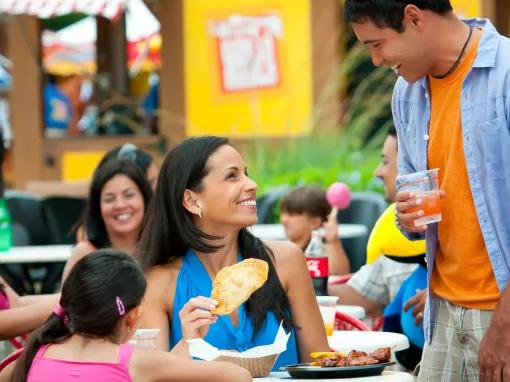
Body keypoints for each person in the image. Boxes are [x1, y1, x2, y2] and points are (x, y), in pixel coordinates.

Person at [344, 1, 510, 380]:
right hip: (444, 312)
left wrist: (505, 326)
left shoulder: (506, 75)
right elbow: (412, 208)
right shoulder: (406, 94)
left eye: (377, 44)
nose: (374, 60)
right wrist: (406, 218)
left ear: (414, 17)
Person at [137, 136, 329, 368]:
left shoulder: (286, 261)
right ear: (191, 200)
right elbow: (151, 375)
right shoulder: (159, 282)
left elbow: (321, 365)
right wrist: (189, 342)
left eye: (246, 173)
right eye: (232, 176)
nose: (251, 184)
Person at [0, 250, 251, 382]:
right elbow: (238, 377)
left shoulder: (34, 354)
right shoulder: (132, 361)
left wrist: (187, 341)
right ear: (133, 317)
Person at [328, 128, 423, 318]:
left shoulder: (456, 226)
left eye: (385, 162)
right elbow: (362, 298)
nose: (377, 172)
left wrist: (445, 298)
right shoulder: (389, 231)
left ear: (411, 165)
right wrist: (308, 281)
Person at [62, 159, 153, 281]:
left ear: (145, 199)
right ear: (98, 207)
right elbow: (66, 299)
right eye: (109, 199)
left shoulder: (164, 251)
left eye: (129, 195)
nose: (120, 205)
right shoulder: (84, 255)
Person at [279, 185, 350, 275]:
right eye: (283, 213)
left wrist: (333, 241)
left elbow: (339, 274)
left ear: (314, 222)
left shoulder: (321, 252)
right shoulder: (282, 249)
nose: (283, 219)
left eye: (291, 214)